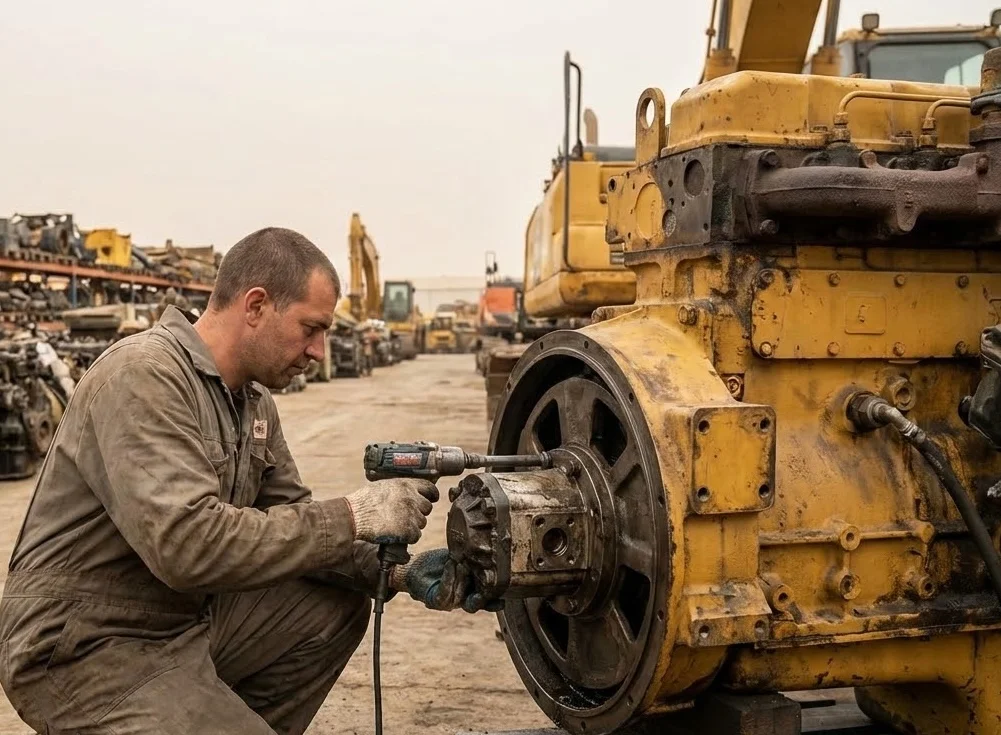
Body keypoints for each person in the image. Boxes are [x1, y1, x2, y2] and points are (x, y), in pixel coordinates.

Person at [0, 227, 481, 735]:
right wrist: (355, 514)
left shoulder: (251, 402)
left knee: (329, 605)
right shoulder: (143, 376)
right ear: (255, 306)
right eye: (310, 328)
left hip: (177, 620)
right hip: (85, 641)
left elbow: (296, 519)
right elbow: (187, 546)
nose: (319, 351)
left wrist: (398, 575)